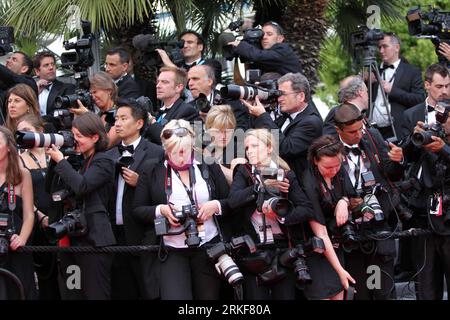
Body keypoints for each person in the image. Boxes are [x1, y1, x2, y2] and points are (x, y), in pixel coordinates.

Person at [228, 129, 353, 300]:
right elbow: (232, 201)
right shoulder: (245, 172)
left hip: (283, 249)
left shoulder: (286, 174)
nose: (249, 150)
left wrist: (281, 215)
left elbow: (306, 209)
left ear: (269, 148)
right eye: (247, 147)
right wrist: (259, 188)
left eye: (255, 146)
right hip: (254, 249)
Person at [133, 119, 230, 300]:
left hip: (208, 245)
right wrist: (160, 210)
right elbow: (137, 209)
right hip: (172, 248)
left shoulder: (208, 164)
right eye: (171, 151)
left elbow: (228, 201)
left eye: (183, 151)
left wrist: (214, 206)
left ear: (193, 145)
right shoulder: (152, 169)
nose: (178, 156)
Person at [334, 103, 404, 300]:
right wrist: (345, 200)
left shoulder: (372, 136)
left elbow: (391, 173)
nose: (358, 134)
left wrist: (398, 161)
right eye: (352, 132)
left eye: (360, 128)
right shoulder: (329, 146)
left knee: (382, 290)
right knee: (360, 293)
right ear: (338, 130)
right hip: (351, 232)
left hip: (379, 226)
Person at [46, 112, 116, 299]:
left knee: (95, 294)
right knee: (72, 293)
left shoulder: (104, 161)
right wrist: (56, 162)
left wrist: (61, 161)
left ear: (95, 137)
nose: (74, 140)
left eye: (79, 136)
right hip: (71, 239)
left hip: (94, 243)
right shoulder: (78, 162)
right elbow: (50, 189)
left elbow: (82, 186)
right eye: (73, 135)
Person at [106, 99, 164, 299]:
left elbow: (166, 194)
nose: (118, 124)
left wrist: (141, 183)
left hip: (144, 234)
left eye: (123, 118)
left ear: (139, 123)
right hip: (114, 235)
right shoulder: (109, 154)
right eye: (116, 119)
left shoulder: (156, 152)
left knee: (149, 291)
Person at [302, 135, 359, 299]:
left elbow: (351, 194)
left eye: (338, 165)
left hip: (336, 242)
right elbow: (321, 233)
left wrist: (343, 200)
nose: (334, 171)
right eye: (328, 167)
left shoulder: (338, 169)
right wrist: (340, 270)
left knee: (339, 293)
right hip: (316, 247)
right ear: (315, 161)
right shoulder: (309, 182)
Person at [242, 72, 323, 182]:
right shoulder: (285, 116)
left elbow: (286, 149)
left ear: (301, 96)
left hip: (298, 186)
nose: (279, 99)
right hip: (275, 179)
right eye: (278, 94)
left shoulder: (312, 122)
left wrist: (262, 115)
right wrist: (255, 112)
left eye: (283, 94)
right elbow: (259, 137)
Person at [16, 114, 60, 300]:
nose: (23, 136)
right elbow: (23, 196)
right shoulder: (20, 159)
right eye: (20, 133)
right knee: (44, 275)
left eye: (27, 132)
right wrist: (40, 217)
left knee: (68, 274)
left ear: (40, 132)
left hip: (61, 221)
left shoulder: (56, 154)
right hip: (37, 224)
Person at [0, 126, 37, 300]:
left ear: (8, 147)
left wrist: (22, 238)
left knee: (20, 290)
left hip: (16, 243)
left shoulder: (22, 175)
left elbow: (29, 213)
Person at [369, 33, 425, 139]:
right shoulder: (372, 71)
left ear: (397, 47)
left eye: (385, 46)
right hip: (374, 132)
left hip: (398, 131)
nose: (381, 51)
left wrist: (393, 91)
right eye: (379, 47)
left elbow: (420, 99)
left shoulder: (412, 71)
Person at [145, 67, 199, 145]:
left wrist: (152, 122)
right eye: (158, 82)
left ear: (178, 88)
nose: (158, 86)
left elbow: (171, 141)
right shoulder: (160, 112)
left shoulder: (187, 111)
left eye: (164, 82)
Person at [188, 64, 249, 130]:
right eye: (189, 80)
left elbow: (240, 133)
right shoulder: (188, 108)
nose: (190, 83)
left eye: (195, 79)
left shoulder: (231, 103)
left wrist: (214, 122)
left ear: (209, 81)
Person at [227, 21, 301, 75]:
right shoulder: (261, 52)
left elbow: (258, 56)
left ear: (280, 38)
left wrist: (240, 45)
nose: (264, 37)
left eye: (269, 34)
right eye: (262, 34)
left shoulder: (283, 49)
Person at [71, 71, 120, 148]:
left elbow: (107, 143)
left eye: (95, 92)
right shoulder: (99, 114)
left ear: (109, 90)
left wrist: (89, 116)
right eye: (90, 94)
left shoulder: (120, 113)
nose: (92, 97)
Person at [203, 104, 246, 185]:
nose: (223, 136)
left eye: (227, 132)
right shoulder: (203, 147)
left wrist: (212, 162)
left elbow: (236, 181)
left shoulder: (239, 148)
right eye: (218, 131)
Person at [32, 51, 76, 116]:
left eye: (52, 64)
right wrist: (35, 93)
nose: (51, 67)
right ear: (37, 71)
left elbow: (62, 114)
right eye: (46, 65)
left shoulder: (67, 88)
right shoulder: (30, 90)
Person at [0, 51, 38, 123]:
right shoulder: (4, 84)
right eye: (9, 58)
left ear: (24, 69)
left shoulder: (29, 83)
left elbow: (11, 77)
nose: (8, 61)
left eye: (14, 59)